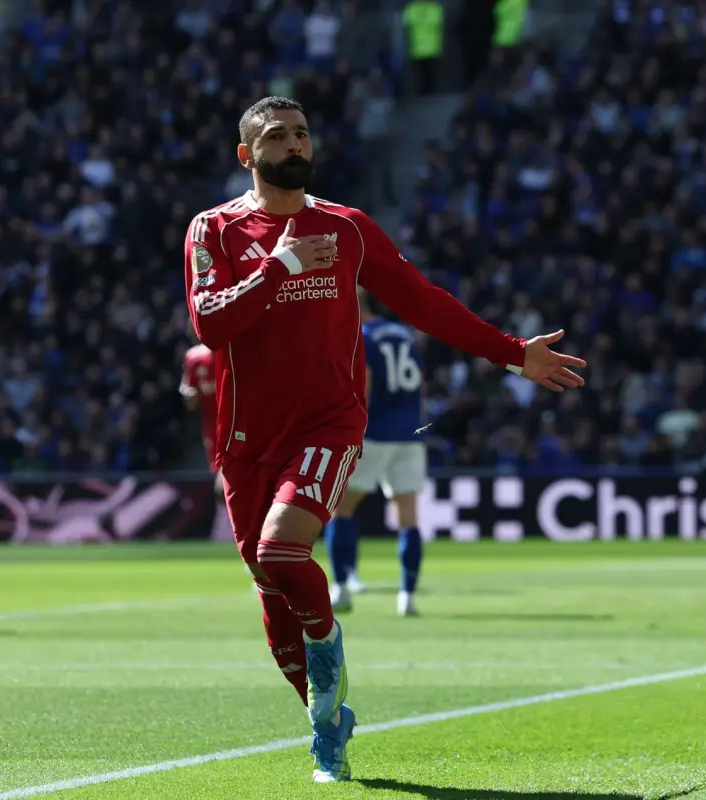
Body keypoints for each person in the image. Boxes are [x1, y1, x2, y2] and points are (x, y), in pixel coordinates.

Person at [182, 96, 586, 783]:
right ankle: (327, 718)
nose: (294, 144)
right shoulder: (213, 229)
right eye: (276, 136)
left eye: (302, 132)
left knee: (285, 551)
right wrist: (277, 267)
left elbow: (422, 299)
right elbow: (209, 323)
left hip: (329, 424)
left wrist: (513, 352)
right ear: (247, 156)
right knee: (270, 580)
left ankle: (328, 643)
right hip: (247, 440)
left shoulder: (347, 228)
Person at [324, 289, 427, 617]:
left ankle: (340, 587)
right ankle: (407, 596)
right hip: (410, 436)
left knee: (341, 509)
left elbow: (362, 389)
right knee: (408, 518)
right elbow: (419, 386)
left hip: (374, 434)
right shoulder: (403, 335)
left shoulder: (363, 339)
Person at [180, 339, 234, 543]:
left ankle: (234, 537)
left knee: (224, 488)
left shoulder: (233, 352)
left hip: (239, 429)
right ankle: (242, 540)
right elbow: (190, 399)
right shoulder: (194, 358)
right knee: (224, 490)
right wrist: (189, 395)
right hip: (213, 434)